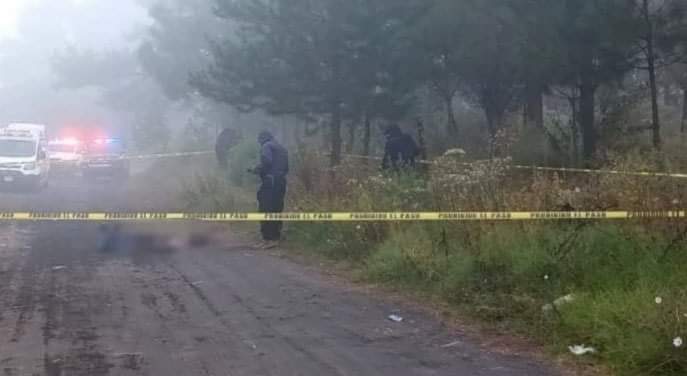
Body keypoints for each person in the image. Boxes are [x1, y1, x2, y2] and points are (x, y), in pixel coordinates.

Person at [248, 131, 289, 248]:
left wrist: (256, 169)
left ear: (262, 139)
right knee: (277, 208)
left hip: (270, 181)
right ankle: (276, 237)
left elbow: (266, 161)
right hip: (281, 181)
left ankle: (267, 239)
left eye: (259, 141)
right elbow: (286, 168)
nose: (259, 143)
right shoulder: (282, 148)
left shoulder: (266, 146)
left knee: (265, 208)